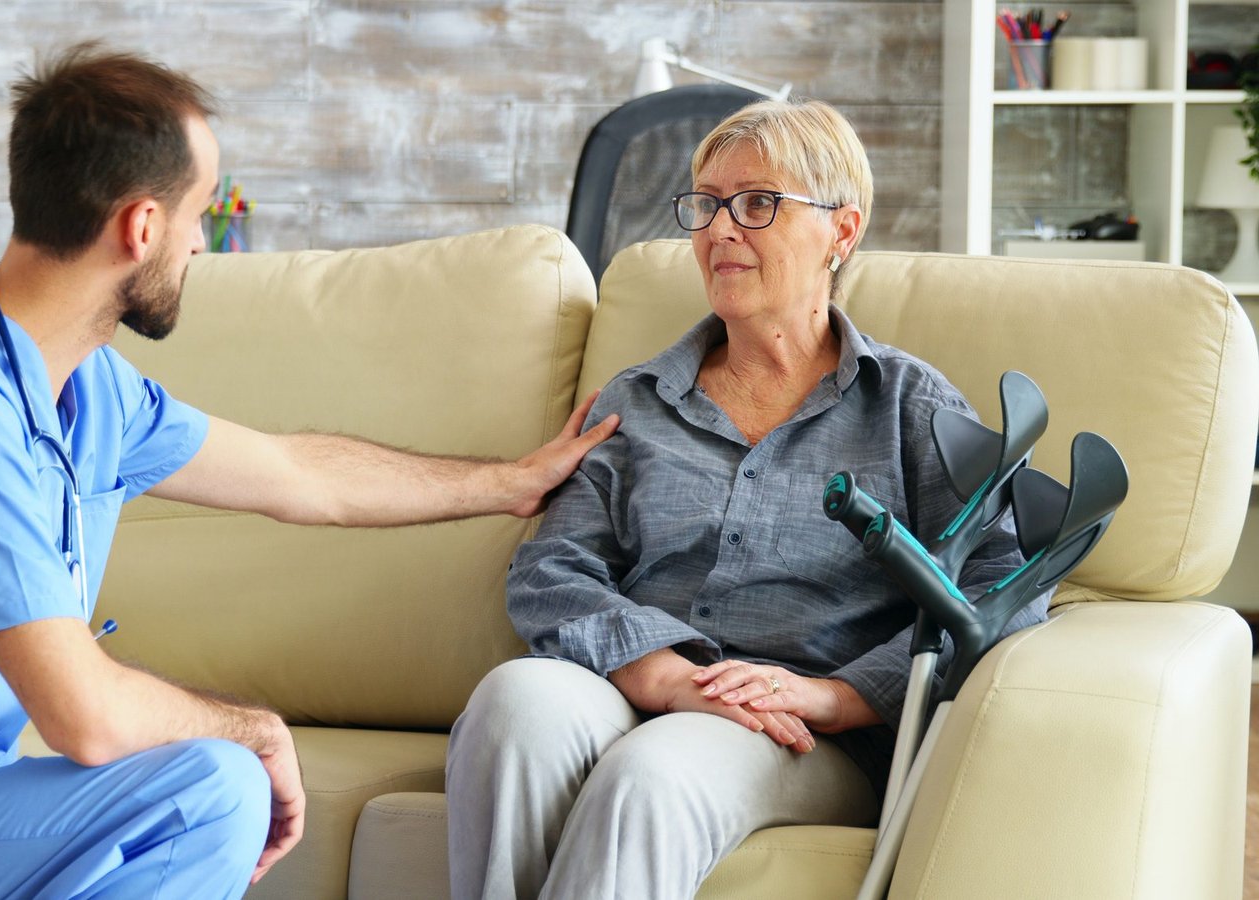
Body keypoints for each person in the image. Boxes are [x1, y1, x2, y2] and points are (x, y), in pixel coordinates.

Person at [0, 43, 618, 900]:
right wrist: (254, 729)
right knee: (210, 784)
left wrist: (506, 482)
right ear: (139, 226)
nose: (202, 243)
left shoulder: (80, 385)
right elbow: (85, 717)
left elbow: (300, 475)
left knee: (204, 785)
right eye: (198, 214)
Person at [445, 98, 1050, 899]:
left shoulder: (911, 409)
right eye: (705, 204)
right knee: (513, 704)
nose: (719, 229)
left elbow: (999, 593)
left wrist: (835, 696)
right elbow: (551, 571)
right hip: (638, 685)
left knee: (651, 775)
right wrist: (662, 673)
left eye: (757, 204)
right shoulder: (639, 401)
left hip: (800, 733)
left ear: (841, 231)